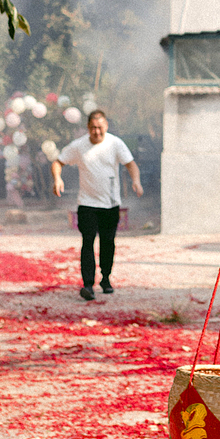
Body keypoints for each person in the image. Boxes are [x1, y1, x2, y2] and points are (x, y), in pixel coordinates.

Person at [51, 109, 144, 301]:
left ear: (106, 126)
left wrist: (136, 181)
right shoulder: (79, 146)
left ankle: (106, 278)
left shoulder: (115, 143)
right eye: (93, 128)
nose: (97, 132)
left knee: (107, 243)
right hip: (87, 203)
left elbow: (131, 164)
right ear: (88, 127)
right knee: (88, 242)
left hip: (110, 204)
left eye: (100, 127)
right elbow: (58, 162)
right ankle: (87, 284)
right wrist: (57, 179)